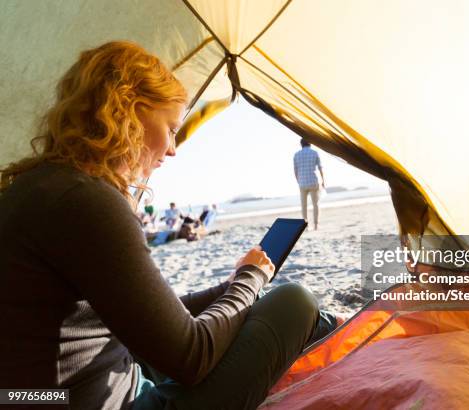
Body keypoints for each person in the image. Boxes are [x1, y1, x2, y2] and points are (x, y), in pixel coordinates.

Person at [0, 41, 338, 410]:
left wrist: (228, 288)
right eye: (171, 128)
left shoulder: (38, 187)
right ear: (129, 111)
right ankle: (328, 328)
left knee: (249, 309)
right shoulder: (86, 200)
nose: (173, 148)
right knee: (294, 300)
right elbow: (191, 357)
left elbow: (144, 316)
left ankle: (322, 326)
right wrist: (251, 279)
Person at [293, 138, 325, 230]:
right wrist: (323, 181)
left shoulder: (296, 155)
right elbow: (320, 168)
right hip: (313, 181)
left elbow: (295, 170)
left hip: (302, 183)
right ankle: (316, 225)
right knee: (316, 204)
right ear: (310, 143)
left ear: (301, 144)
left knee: (304, 206)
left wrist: (298, 181)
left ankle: (305, 226)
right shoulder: (314, 153)